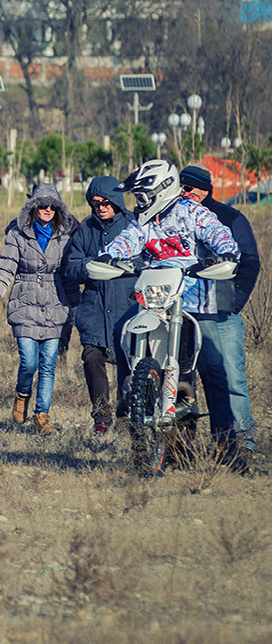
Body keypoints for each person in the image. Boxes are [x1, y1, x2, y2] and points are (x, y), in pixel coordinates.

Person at [102, 161, 239, 429]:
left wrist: (226, 250)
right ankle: (129, 392)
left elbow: (217, 232)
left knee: (213, 368)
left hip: (192, 299)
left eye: (144, 195)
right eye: (137, 197)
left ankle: (227, 441)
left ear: (162, 189)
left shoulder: (192, 212)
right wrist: (110, 254)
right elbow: (129, 238)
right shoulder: (142, 220)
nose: (140, 201)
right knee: (121, 328)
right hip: (154, 296)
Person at [0, 183, 79, 433]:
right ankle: (22, 393)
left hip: (55, 304)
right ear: (33, 207)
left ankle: (41, 416)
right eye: (42, 205)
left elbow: (68, 276)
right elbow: (6, 266)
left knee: (48, 363)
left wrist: (76, 307)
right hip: (24, 301)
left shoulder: (65, 235)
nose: (47, 210)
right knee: (29, 362)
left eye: (52, 206)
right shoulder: (17, 233)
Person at [178, 164, 259, 470]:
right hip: (184, 312)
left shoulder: (230, 217)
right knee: (186, 379)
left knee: (232, 378)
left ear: (206, 189)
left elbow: (249, 261)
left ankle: (243, 442)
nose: (186, 194)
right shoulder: (175, 216)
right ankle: (186, 447)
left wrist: (235, 301)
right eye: (182, 188)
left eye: (191, 189)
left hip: (222, 313)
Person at [64, 176, 136, 434]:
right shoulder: (86, 230)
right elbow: (70, 266)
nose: (101, 208)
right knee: (92, 357)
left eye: (106, 202)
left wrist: (123, 268)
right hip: (94, 309)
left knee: (130, 363)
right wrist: (91, 268)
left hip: (127, 308)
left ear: (116, 201)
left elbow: (148, 261)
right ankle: (101, 417)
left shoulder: (133, 227)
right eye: (95, 204)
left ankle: (126, 414)